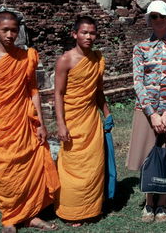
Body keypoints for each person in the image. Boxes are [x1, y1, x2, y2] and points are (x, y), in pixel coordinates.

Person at [0, 11, 60, 232]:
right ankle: (9, 217)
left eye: (13, 30)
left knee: (31, 166)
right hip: (2, 122)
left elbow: (33, 91)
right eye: (4, 30)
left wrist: (41, 123)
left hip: (25, 120)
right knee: (5, 168)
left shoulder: (27, 56)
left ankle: (31, 215)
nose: (9, 35)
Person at [126, 0, 166, 223]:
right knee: (147, 155)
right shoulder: (140, 48)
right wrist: (152, 113)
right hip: (146, 110)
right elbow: (138, 82)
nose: (158, 20)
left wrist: (165, 113)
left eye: (162, 16)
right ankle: (148, 202)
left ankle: (162, 203)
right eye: (154, 16)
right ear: (149, 20)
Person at [54, 16, 110, 226]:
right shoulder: (65, 60)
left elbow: (98, 91)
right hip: (72, 119)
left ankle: (91, 208)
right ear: (74, 34)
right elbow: (58, 94)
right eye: (84, 32)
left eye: (92, 33)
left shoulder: (97, 58)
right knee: (73, 165)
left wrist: (107, 113)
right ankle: (71, 211)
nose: (88, 36)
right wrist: (61, 124)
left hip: (91, 120)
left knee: (93, 165)